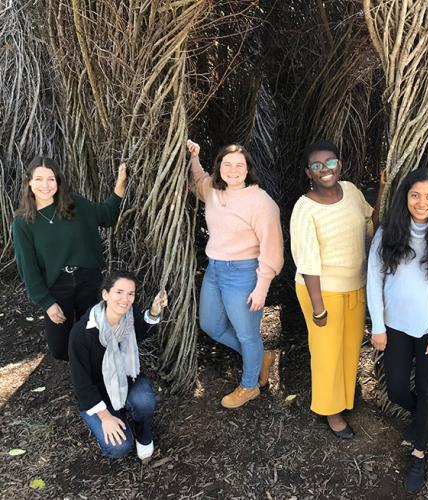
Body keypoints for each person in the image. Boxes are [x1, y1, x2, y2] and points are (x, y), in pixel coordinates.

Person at [367, 167, 428, 494]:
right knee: (397, 390)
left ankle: (419, 453)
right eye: (415, 195)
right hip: (395, 328)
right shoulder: (389, 232)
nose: (421, 202)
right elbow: (373, 279)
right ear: (405, 197)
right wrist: (378, 326)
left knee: (425, 391)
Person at [187, 139, 283, 408]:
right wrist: (194, 157)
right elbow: (198, 180)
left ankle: (250, 385)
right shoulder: (214, 191)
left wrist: (262, 286)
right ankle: (260, 357)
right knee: (211, 325)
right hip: (215, 269)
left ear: (247, 169)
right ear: (219, 168)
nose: (232, 170)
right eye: (227, 164)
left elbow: (272, 248)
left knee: (247, 334)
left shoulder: (260, 202)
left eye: (239, 165)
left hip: (243, 273)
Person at [290, 140, 375, 440]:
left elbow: (368, 222)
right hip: (321, 291)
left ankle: (344, 397)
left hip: (356, 284)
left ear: (339, 165)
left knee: (350, 345)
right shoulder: (305, 207)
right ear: (308, 173)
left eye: (330, 162)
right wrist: (318, 307)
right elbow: (307, 262)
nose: (325, 169)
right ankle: (331, 411)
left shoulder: (351, 191)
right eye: (317, 165)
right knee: (327, 352)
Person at [12, 157, 127, 361]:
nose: (45, 185)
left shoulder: (74, 204)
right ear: (29, 182)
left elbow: (106, 215)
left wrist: (120, 184)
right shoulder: (23, 223)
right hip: (57, 286)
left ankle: (94, 375)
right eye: (39, 179)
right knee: (60, 349)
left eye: (51, 179)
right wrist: (47, 302)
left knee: (95, 335)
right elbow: (27, 268)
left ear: (58, 181)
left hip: (88, 279)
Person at [69, 270, 168, 461]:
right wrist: (105, 417)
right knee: (119, 449)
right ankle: (111, 419)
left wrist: (155, 311)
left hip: (127, 380)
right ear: (106, 294)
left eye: (131, 294)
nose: (125, 299)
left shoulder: (129, 316)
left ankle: (142, 428)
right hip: (97, 396)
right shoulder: (82, 334)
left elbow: (142, 332)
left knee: (145, 401)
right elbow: (82, 385)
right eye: (119, 292)